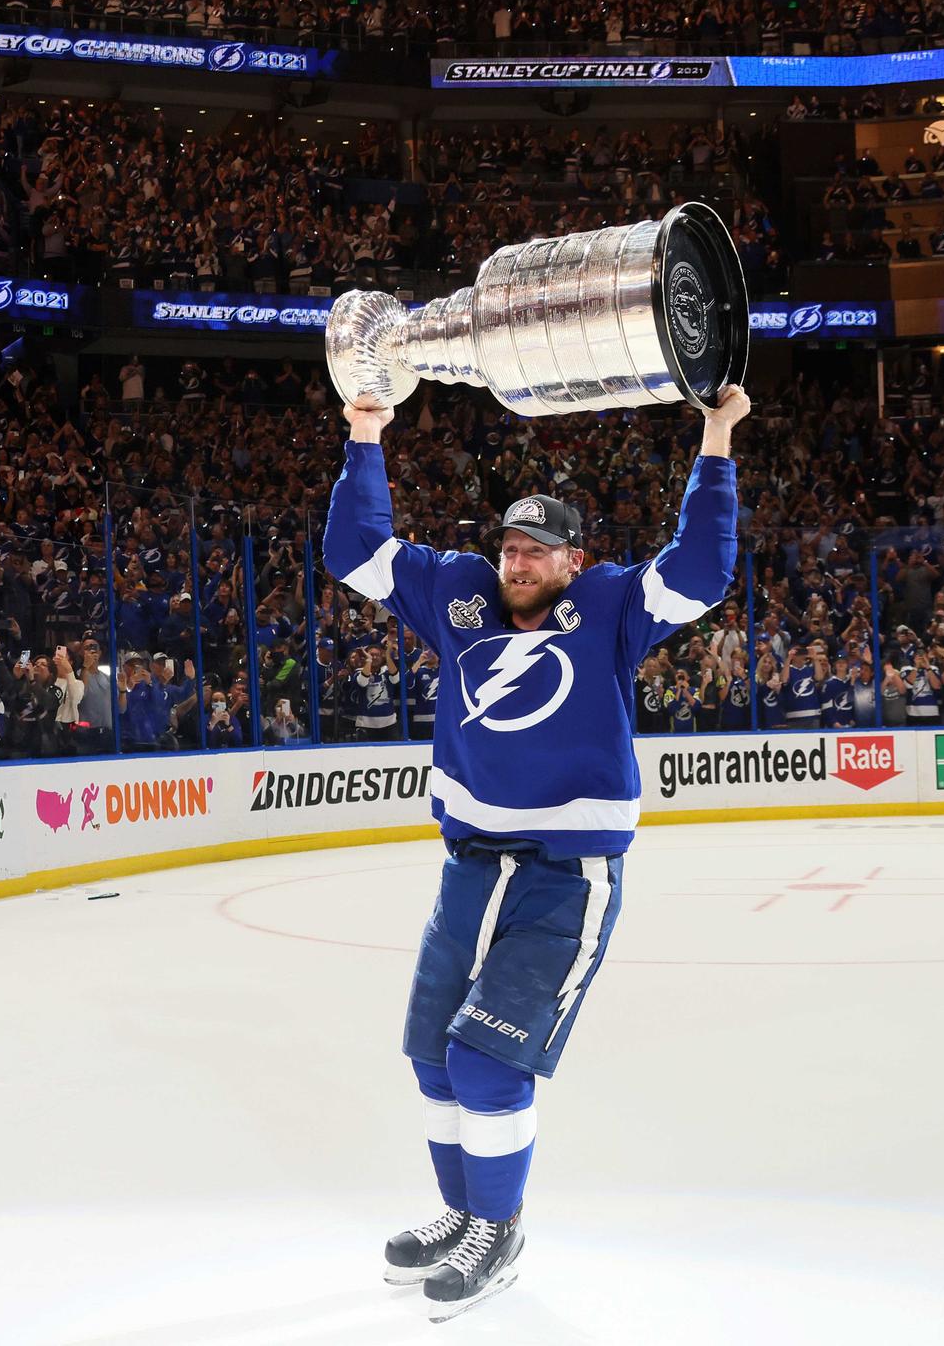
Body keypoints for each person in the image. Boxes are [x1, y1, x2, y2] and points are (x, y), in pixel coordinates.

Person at [324, 383, 747, 1321]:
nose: (517, 563)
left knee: (486, 1065)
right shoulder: (457, 592)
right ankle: (459, 1212)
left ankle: (499, 1232)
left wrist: (716, 435)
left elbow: (702, 570)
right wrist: (365, 431)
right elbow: (352, 551)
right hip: (472, 864)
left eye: (537, 550)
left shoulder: (609, 606)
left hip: (565, 875)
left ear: (574, 559)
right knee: (431, 1054)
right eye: (509, 547)